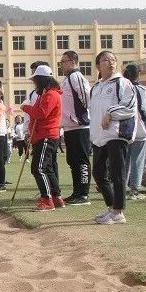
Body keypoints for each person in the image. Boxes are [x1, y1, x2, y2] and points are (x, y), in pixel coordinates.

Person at [89, 51, 137, 225]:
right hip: (99, 136)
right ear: (98, 65)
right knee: (98, 173)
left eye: (113, 60)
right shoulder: (95, 87)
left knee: (117, 173)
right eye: (105, 60)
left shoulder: (123, 83)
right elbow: (92, 112)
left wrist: (111, 113)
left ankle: (118, 212)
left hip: (116, 133)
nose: (109, 62)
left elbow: (130, 106)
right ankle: (111, 207)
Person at [21, 65, 64, 211]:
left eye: (36, 80)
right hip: (42, 135)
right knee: (48, 168)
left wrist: (26, 107)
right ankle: (56, 197)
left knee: (38, 168)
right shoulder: (45, 94)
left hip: (46, 135)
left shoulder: (51, 95)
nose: (34, 83)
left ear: (41, 80)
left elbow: (41, 113)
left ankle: (46, 199)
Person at [58, 50, 92, 205]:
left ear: (72, 61)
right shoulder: (67, 79)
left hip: (80, 126)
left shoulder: (76, 77)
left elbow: (86, 97)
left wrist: (82, 117)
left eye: (63, 61)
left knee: (82, 160)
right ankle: (76, 192)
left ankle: (83, 194)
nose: (61, 64)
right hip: (69, 127)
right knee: (73, 161)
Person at [123, 64, 146, 200]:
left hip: (124, 129)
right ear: (139, 74)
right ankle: (134, 190)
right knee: (137, 160)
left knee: (124, 160)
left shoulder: (122, 87)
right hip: (139, 130)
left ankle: (120, 187)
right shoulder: (143, 89)